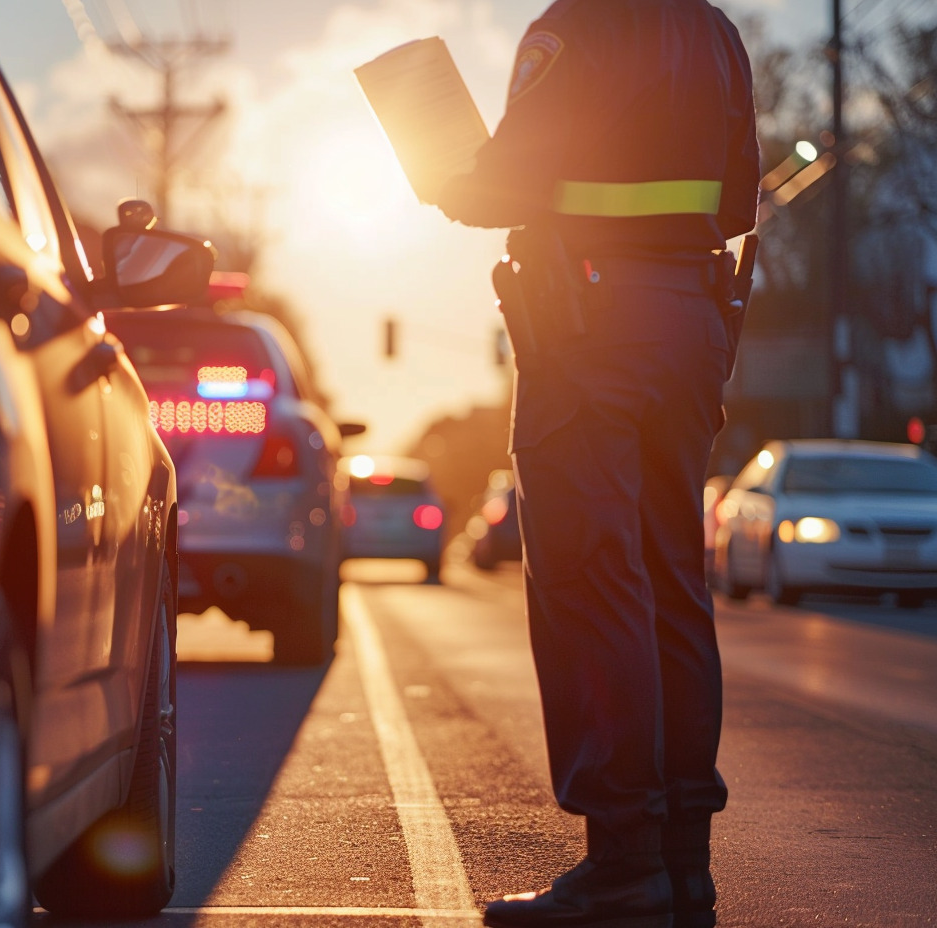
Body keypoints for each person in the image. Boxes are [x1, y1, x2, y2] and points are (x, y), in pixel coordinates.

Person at [434, 1, 760, 927]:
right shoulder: (715, 32)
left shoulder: (574, 25)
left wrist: (450, 175)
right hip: (690, 323)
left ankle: (623, 863)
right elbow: (736, 200)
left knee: (593, 579)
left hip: (591, 333)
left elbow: (502, 183)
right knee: (670, 583)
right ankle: (681, 867)